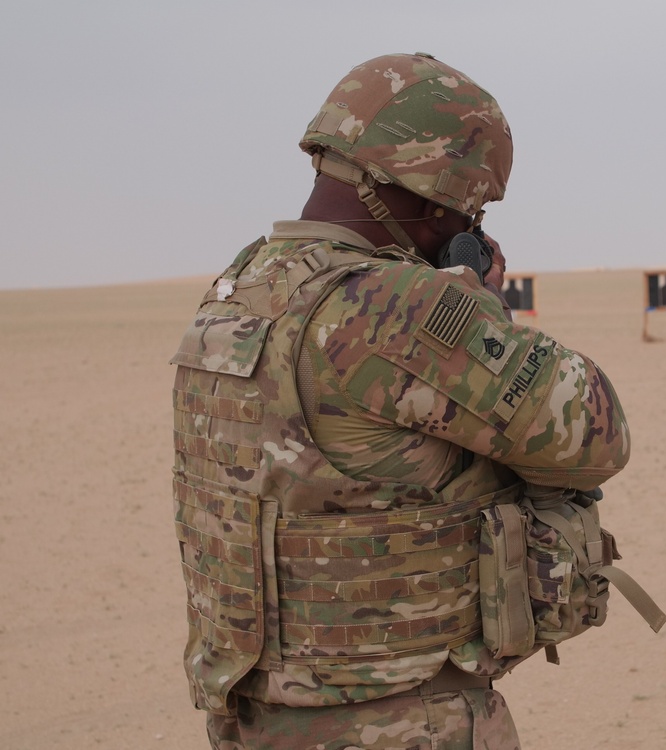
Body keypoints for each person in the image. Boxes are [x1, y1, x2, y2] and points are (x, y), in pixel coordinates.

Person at [170, 53, 631, 750]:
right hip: (400, 721)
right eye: (469, 208)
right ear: (432, 196)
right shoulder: (395, 308)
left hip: (254, 718)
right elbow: (598, 431)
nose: (469, 222)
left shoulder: (240, 288)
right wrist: (485, 314)